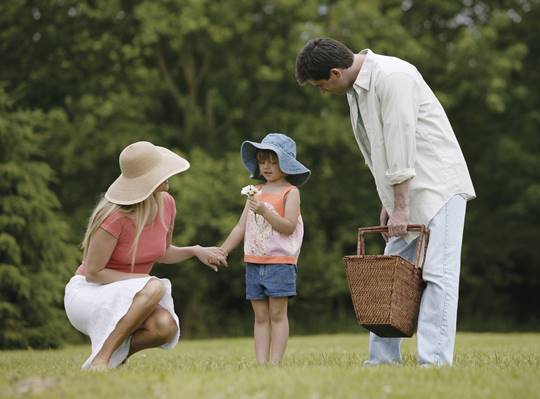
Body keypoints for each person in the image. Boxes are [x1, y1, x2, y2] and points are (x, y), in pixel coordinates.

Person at [295, 38, 476, 367]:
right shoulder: (356, 90)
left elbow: (400, 143)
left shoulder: (393, 77)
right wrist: (390, 202)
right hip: (405, 194)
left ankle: (434, 363)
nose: (322, 91)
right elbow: (378, 151)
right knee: (388, 278)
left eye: (321, 85)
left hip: (438, 187)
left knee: (438, 275)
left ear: (336, 73)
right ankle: (381, 361)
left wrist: (401, 206)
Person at [64, 141, 227, 370]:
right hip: (89, 293)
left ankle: (111, 359)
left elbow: (162, 252)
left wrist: (194, 251)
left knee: (164, 326)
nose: (168, 175)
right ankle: (101, 358)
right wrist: (144, 283)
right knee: (155, 286)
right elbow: (93, 273)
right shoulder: (114, 217)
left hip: (133, 294)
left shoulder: (167, 204)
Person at [220, 133, 310, 365]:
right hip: (254, 262)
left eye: (273, 161)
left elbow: (288, 227)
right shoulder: (255, 192)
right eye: (262, 161)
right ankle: (261, 365)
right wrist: (223, 250)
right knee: (260, 317)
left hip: (279, 263)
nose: (267, 167)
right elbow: (241, 227)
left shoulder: (291, 192)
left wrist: (266, 211)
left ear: (286, 164)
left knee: (277, 315)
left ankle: (275, 364)